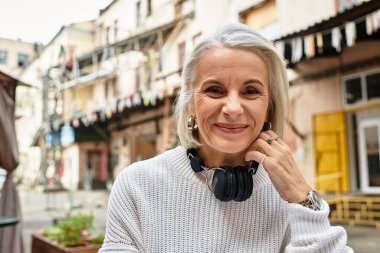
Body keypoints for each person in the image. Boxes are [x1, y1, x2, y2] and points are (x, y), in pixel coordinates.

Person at [99, 23, 353, 252]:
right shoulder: (136, 185)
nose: (232, 108)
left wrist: (302, 198)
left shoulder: (287, 194)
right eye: (214, 90)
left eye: (251, 91)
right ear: (190, 103)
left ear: (269, 107)